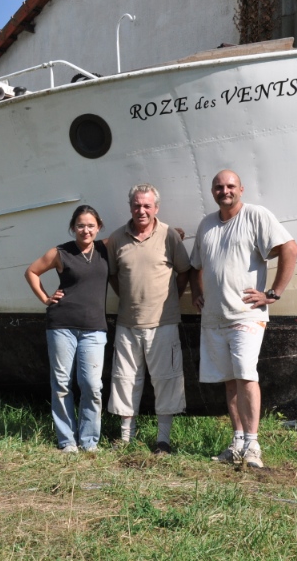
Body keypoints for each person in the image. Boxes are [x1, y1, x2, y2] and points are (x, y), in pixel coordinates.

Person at [189, 169, 297, 468]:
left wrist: (273, 293)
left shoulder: (255, 215)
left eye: (230, 186)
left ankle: (253, 445)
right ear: (212, 191)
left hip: (245, 315)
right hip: (214, 318)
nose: (224, 191)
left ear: (241, 189)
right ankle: (237, 442)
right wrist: (197, 291)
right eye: (219, 187)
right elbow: (195, 265)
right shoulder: (206, 224)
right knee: (229, 381)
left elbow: (290, 249)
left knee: (247, 376)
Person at [106, 184, 191, 454]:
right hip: (127, 322)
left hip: (163, 322)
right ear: (130, 206)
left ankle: (163, 441)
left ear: (156, 208)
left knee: (166, 380)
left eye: (147, 206)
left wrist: (168, 299)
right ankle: (125, 438)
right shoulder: (117, 238)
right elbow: (112, 275)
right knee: (125, 379)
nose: (141, 210)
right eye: (136, 205)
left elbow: (184, 271)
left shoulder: (169, 235)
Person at [25, 205, 110, 453]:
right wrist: (44, 298)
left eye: (91, 225)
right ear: (73, 227)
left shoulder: (105, 248)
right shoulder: (60, 252)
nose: (86, 230)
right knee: (62, 383)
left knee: (92, 385)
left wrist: (174, 233)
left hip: (95, 328)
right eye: (81, 225)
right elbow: (31, 271)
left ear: (99, 227)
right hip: (61, 325)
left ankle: (89, 441)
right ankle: (67, 441)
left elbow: (135, 235)